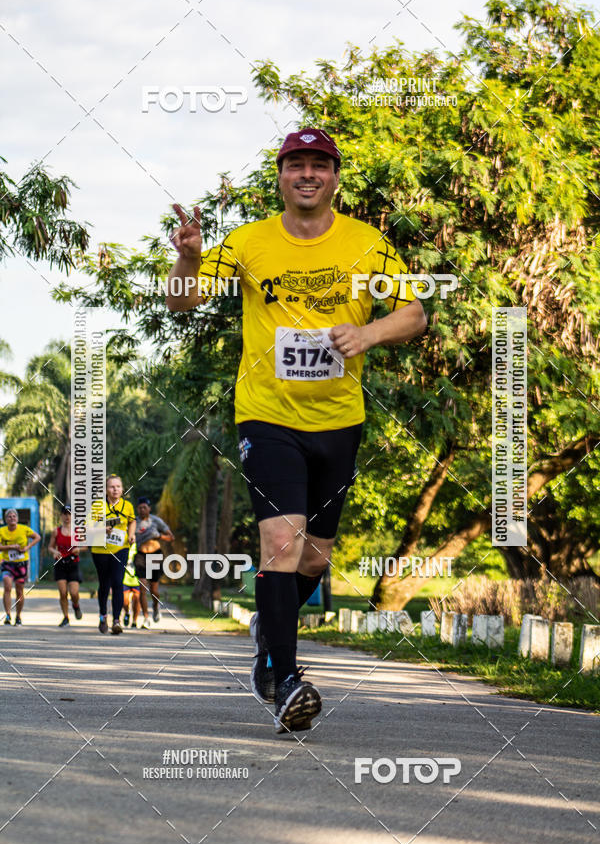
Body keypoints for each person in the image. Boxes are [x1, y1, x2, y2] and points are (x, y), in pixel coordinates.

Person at [167, 128, 427, 733]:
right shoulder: (248, 241)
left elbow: (415, 313)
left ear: (334, 178)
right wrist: (190, 257)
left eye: (319, 164)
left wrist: (367, 334)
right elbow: (181, 300)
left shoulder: (367, 243)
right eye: (296, 164)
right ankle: (285, 679)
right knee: (282, 543)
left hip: (339, 420)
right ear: (281, 177)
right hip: (267, 414)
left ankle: (269, 629)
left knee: (314, 557)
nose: (307, 174)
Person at [90, 474, 136, 635]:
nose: (115, 489)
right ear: (106, 490)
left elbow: (132, 521)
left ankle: (116, 620)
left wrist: (131, 535)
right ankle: (103, 615)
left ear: (122, 489)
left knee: (117, 582)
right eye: (112, 487)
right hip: (100, 550)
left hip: (120, 549)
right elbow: (87, 528)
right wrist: (102, 529)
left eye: (118, 486)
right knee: (104, 584)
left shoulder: (127, 506)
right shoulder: (97, 506)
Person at [134, 497, 174, 628]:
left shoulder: (156, 521)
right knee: (142, 588)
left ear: (149, 508)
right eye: (140, 507)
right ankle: (146, 618)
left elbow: (171, 537)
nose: (142, 510)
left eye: (144, 507)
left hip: (155, 554)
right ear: (137, 509)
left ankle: (156, 606)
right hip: (141, 555)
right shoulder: (134, 522)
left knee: (154, 589)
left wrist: (159, 536)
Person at [0, 508, 41, 626]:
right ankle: (8, 614)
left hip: (21, 564)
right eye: (9, 516)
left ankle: (18, 616)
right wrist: (11, 547)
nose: (12, 518)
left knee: (19, 591)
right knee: (7, 587)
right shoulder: (2, 531)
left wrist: (28, 547)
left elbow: (37, 537)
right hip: (8, 563)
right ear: (6, 519)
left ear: (17, 518)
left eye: (14, 516)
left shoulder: (24, 529)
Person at [48, 505, 83, 626]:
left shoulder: (78, 530)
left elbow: (86, 546)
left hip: (73, 563)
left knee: (74, 593)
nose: (67, 516)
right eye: (65, 514)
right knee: (63, 593)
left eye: (69, 514)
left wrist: (79, 549)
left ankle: (76, 605)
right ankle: (66, 617)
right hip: (60, 563)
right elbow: (50, 547)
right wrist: (54, 551)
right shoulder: (56, 531)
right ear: (61, 516)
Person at [122, 547, 141, 629]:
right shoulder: (123, 545)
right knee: (124, 601)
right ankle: (127, 613)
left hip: (137, 578)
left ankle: (134, 621)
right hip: (125, 578)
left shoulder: (138, 545)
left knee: (137, 599)